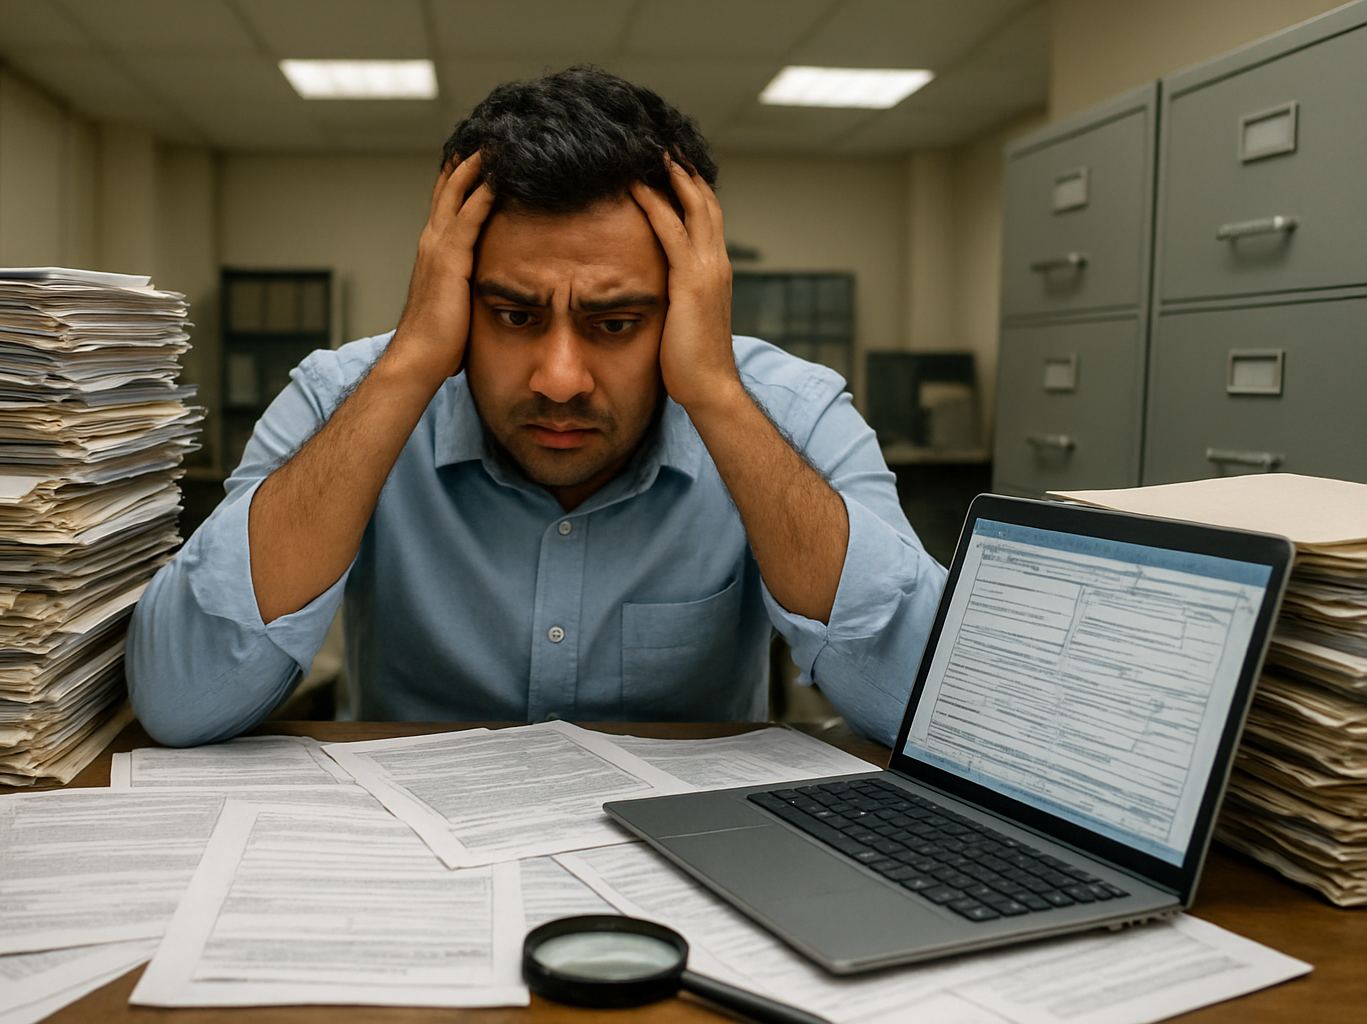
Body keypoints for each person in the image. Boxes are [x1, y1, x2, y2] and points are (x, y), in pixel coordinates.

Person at [127, 66, 946, 747]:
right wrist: (412, 362)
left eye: (616, 322)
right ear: (453, 293)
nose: (560, 378)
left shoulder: (787, 412)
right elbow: (181, 701)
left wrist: (717, 397)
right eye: (514, 315)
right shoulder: (344, 396)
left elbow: (925, 708)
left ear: (690, 301)